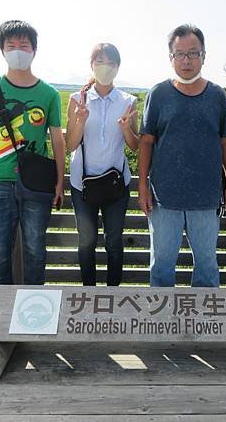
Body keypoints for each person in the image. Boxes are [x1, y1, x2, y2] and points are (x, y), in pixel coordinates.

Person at [138, 24, 226, 288]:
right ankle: (160, 324)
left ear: (204, 56)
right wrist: (142, 186)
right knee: (161, 265)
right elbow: (146, 142)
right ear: (170, 57)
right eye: (179, 54)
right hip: (164, 197)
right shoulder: (158, 94)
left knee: (207, 266)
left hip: (206, 197)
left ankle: (206, 325)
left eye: (193, 53)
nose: (186, 60)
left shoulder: (217, 96)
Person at [0, 20, 65, 285]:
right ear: (2, 50)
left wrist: (59, 181)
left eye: (24, 45)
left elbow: (57, 139)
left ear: (34, 50)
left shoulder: (49, 94)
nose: (18, 50)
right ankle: (2, 307)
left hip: (37, 183)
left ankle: (34, 306)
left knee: (36, 249)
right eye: (11, 45)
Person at [66, 43, 138, 286]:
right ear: (91, 65)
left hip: (116, 182)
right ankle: (89, 293)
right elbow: (70, 144)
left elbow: (135, 145)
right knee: (86, 241)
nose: (105, 67)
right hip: (82, 183)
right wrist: (79, 121)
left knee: (114, 240)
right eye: (100, 62)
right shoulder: (77, 99)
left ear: (118, 68)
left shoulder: (128, 101)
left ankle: (113, 296)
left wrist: (126, 128)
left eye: (110, 63)